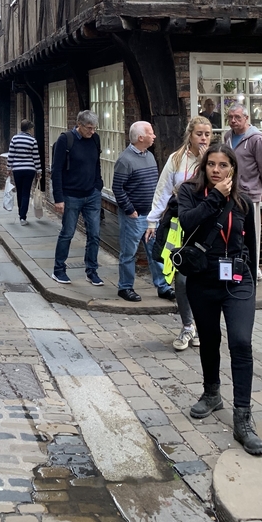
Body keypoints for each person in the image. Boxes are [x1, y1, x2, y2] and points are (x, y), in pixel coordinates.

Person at [177, 143, 262, 455]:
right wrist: (215, 196)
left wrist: (252, 283)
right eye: (211, 164)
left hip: (237, 281)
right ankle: (212, 393)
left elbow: (251, 245)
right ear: (204, 167)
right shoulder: (189, 193)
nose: (216, 170)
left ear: (233, 169)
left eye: (223, 165)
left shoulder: (243, 201)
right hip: (202, 279)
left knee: (240, 342)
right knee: (210, 338)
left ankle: (243, 418)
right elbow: (187, 222)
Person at [146, 116, 212, 349]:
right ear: (190, 134)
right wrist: (152, 221)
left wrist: (205, 162)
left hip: (206, 226)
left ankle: (201, 325)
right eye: (199, 134)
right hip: (181, 225)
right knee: (182, 277)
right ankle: (187, 326)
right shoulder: (176, 159)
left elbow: (223, 186)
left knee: (204, 277)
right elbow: (163, 189)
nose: (203, 138)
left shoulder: (214, 159)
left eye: (207, 134)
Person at [113, 121, 173, 303]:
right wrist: (130, 210)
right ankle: (125, 287)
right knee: (129, 253)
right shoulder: (125, 160)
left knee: (156, 251)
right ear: (141, 137)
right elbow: (117, 188)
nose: (154, 136)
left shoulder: (150, 156)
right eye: (150, 133)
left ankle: (163, 287)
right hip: (134, 216)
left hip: (151, 216)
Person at [51, 110, 104, 286]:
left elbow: (96, 164)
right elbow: (56, 170)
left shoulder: (95, 139)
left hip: (92, 194)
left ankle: (92, 271)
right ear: (79, 125)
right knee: (67, 233)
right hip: (71, 195)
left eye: (94, 128)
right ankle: (59, 270)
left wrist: (98, 185)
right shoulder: (65, 140)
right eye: (89, 128)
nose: (92, 131)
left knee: (94, 234)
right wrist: (58, 198)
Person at [224, 103, 262, 282]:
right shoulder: (228, 137)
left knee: (253, 233)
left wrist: (261, 187)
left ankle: (255, 267)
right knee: (234, 231)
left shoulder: (256, 139)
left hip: (250, 193)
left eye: (237, 117)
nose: (233, 121)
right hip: (230, 192)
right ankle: (237, 265)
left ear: (246, 118)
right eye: (230, 117)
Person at [7, 119, 42, 226]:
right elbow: (36, 157)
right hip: (29, 169)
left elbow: (11, 154)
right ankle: (23, 216)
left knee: (19, 191)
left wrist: (9, 168)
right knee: (26, 192)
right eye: (32, 128)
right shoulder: (32, 140)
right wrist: (39, 170)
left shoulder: (15, 139)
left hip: (17, 169)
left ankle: (20, 213)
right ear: (29, 129)